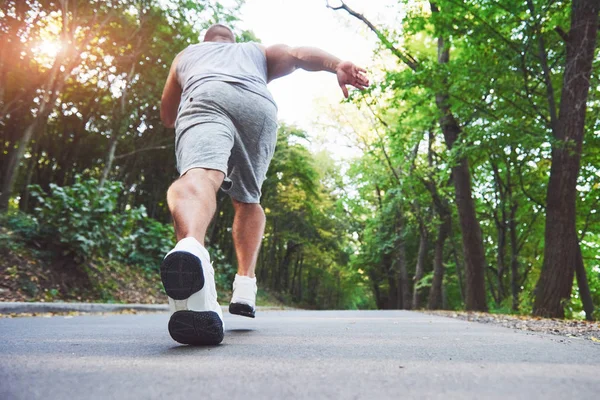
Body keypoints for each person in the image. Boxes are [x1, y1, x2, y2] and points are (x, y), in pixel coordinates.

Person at [160, 24, 369, 345]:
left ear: (206, 40)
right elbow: (297, 55)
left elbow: (167, 114)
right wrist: (336, 64)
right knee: (248, 199)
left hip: (206, 95)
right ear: (231, 39)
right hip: (258, 107)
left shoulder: (187, 55)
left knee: (200, 175)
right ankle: (245, 285)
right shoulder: (254, 50)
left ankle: (191, 248)